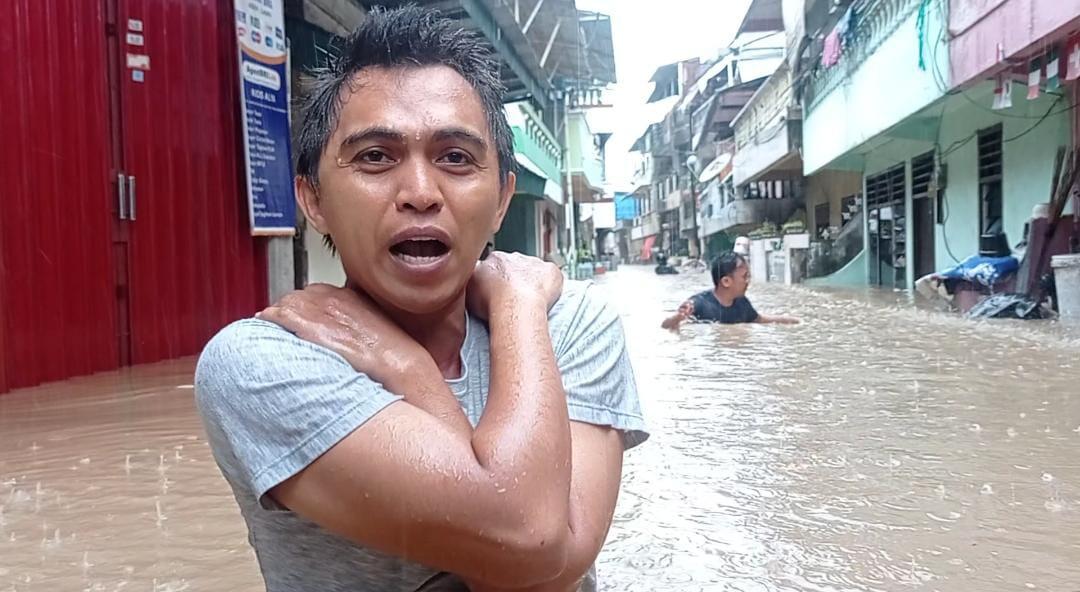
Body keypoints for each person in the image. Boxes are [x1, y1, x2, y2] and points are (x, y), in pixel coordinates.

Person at [194, 7, 647, 592]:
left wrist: (507, 312)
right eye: (375, 157)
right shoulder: (260, 364)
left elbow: (553, 565)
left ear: (504, 197)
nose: (420, 193)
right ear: (313, 199)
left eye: (456, 157)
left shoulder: (571, 322)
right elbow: (527, 539)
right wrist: (426, 361)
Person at [661, 252, 800, 329]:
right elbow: (666, 326)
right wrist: (678, 317)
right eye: (745, 277)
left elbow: (759, 319)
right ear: (726, 281)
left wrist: (791, 320)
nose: (748, 281)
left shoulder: (742, 303)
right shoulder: (698, 304)